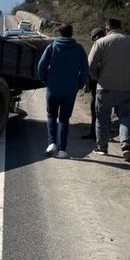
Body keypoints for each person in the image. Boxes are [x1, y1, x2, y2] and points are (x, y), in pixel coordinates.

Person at [88, 18, 130, 162]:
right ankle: (126, 147)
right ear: (121, 27)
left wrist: (96, 77)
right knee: (125, 117)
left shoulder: (101, 42)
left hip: (105, 87)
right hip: (126, 86)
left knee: (102, 118)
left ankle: (102, 147)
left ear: (107, 29)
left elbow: (90, 65)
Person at [37, 24, 89, 159]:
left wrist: (46, 80)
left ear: (59, 33)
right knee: (64, 119)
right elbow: (85, 70)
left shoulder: (52, 47)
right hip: (70, 90)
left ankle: (51, 143)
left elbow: (41, 66)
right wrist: (79, 85)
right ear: (72, 33)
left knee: (51, 116)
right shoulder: (78, 49)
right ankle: (62, 150)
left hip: (53, 89)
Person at [81, 27, 106, 141]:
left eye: (93, 38)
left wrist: (88, 83)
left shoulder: (98, 45)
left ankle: (95, 133)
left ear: (96, 36)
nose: (93, 40)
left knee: (96, 109)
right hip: (111, 83)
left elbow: (90, 66)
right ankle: (101, 133)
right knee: (104, 110)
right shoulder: (110, 45)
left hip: (98, 83)